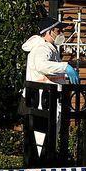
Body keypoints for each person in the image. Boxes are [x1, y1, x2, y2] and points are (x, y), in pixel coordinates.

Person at [21, 20, 78, 157]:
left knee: (46, 139)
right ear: (48, 32)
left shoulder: (49, 47)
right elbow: (42, 65)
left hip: (46, 99)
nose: (61, 34)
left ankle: (44, 166)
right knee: (41, 141)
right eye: (58, 31)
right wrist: (65, 67)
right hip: (41, 101)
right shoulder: (42, 48)